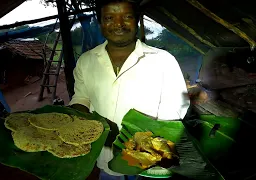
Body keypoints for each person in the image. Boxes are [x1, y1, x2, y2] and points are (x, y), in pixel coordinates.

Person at [69, 0, 190, 179]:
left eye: (127, 17)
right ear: (101, 23)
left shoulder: (163, 60)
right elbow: (81, 98)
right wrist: (71, 120)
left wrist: (146, 144)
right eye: (109, 18)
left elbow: (175, 109)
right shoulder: (86, 61)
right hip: (104, 156)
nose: (118, 24)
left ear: (137, 21)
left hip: (147, 162)